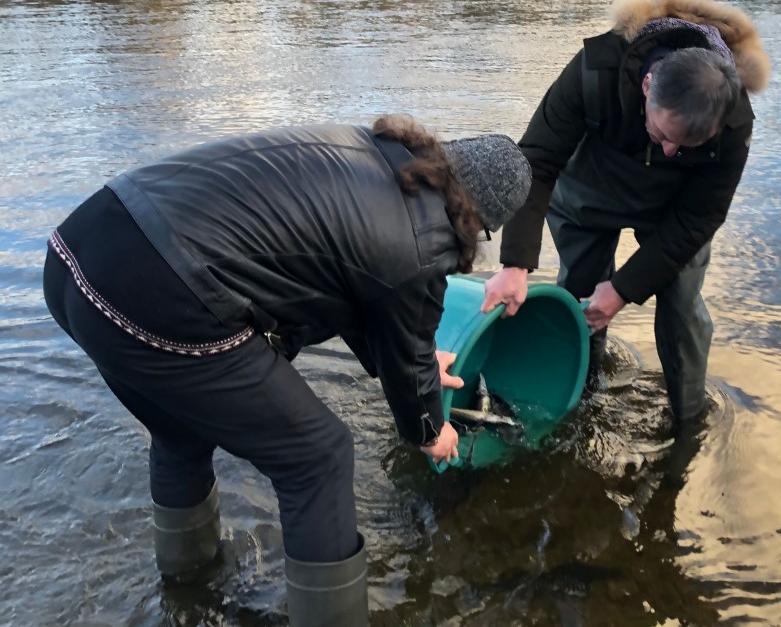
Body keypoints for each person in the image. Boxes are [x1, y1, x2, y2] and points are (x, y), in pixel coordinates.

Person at [42, 114, 531, 627]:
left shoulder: (373, 155)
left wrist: (421, 361)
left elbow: (357, 284)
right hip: (158, 293)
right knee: (318, 457)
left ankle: (187, 593)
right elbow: (399, 315)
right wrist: (431, 430)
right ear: (477, 218)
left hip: (80, 253)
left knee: (180, 430)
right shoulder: (422, 239)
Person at [483, 0, 771, 421]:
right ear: (647, 83)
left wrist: (624, 290)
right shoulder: (595, 69)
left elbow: (701, 218)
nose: (672, 150)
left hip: (675, 210)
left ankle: (687, 419)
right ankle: (575, 397)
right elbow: (537, 163)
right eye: (663, 134)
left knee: (681, 308)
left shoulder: (733, 121)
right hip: (589, 190)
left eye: (688, 144)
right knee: (580, 294)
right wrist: (515, 264)